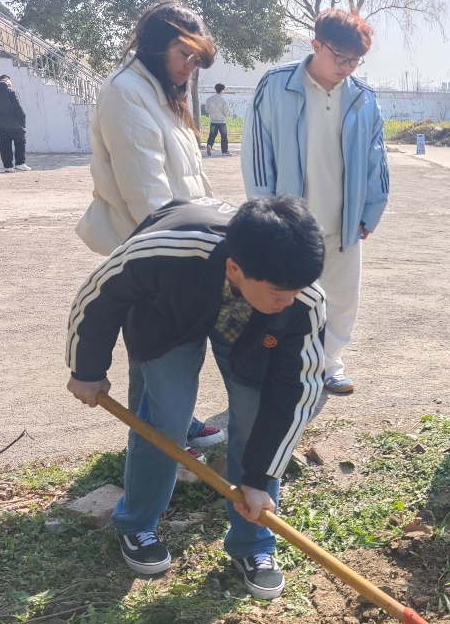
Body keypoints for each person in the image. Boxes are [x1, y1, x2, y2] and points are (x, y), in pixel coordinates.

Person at [65, 195, 327, 599]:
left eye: (298, 289)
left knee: (255, 416)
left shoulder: (299, 301)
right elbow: (97, 296)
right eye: (280, 291)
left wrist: (258, 479)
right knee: (165, 418)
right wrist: (87, 369)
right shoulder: (166, 249)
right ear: (236, 269)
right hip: (169, 309)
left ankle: (253, 545)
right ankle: (137, 523)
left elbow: (295, 392)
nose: (290, 300)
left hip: (247, 322)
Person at [74, 0, 225, 453]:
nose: (191, 67)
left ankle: (170, 427)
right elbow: (147, 196)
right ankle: (164, 446)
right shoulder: (127, 92)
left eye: (198, 59)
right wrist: (189, 255)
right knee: (160, 354)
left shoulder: (162, 92)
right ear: (158, 46)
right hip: (155, 248)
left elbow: (189, 178)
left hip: (172, 242)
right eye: (185, 54)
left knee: (152, 360)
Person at [243, 8, 388, 396]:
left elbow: (378, 161)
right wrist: (266, 215)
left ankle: (329, 364)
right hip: (290, 222)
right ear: (316, 44)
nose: (345, 66)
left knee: (341, 299)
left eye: (354, 60)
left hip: (344, 220)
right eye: (338, 56)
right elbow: (259, 154)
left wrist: (370, 212)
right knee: (284, 297)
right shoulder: (276, 86)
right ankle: (284, 366)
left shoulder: (363, 98)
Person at [0, 75, 29, 172]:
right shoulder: (11, 91)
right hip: (13, 123)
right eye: (9, 80)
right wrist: (23, 122)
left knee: (4, 145)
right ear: (6, 80)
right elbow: (19, 108)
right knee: (20, 142)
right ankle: (20, 163)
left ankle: (8, 166)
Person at [205, 83, 230, 156]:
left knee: (212, 135)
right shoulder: (223, 99)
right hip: (222, 121)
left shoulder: (209, 99)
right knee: (224, 136)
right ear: (222, 90)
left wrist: (211, 114)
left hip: (213, 121)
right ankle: (224, 151)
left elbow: (206, 108)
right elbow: (226, 110)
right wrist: (225, 116)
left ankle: (209, 145)